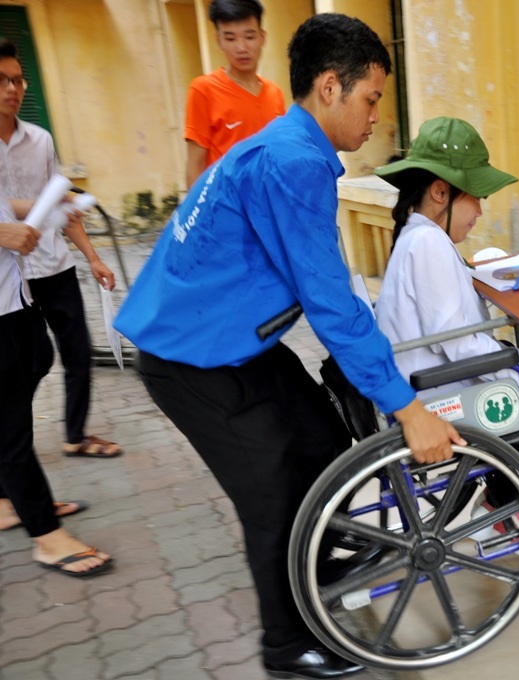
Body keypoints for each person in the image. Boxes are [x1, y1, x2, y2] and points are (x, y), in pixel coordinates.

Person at [115, 14, 463, 679]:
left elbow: (324, 283)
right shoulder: (293, 161)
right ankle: (287, 646)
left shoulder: (288, 146)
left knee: (323, 440)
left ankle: (314, 564)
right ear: (330, 87)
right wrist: (406, 407)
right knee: (271, 495)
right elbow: (328, 300)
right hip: (192, 358)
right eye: (370, 99)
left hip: (235, 337)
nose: (375, 117)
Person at [373, 116, 519, 415]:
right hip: (442, 393)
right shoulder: (428, 242)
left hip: (436, 377)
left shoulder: (420, 237)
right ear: (440, 192)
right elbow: (459, 344)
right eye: (477, 198)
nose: (480, 211)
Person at [0, 38, 121, 460]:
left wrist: (93, 258)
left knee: (78, 353)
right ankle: (12, 441)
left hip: (55, 265)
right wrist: (35, 207)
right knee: (33, 361)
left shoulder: (40, 140)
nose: (12, 89)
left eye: (18, 80)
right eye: (2, 80)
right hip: (14, 280)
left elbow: (62, 206)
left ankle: (75, 434)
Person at [0, 186, 114, 577]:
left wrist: (40, 207)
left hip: (13, 295)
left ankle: (6, 501)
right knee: (10, 428)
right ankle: (47, 536)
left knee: (39, 359)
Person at [184, 0, 286, 188]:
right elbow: (194, 166)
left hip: (268, 201)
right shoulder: (203, 90)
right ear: (219, 41)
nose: (241, 47)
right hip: (225, 202)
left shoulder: (275, 94)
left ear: (262, 37)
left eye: (249, 36)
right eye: (231, 39)